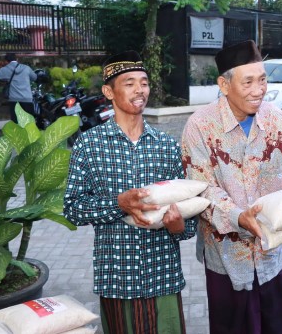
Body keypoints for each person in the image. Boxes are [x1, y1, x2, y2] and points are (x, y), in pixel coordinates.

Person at [181, 40, 282, 334]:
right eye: (248, 82)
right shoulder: (200, 126)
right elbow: (202, 190)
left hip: (271, 255)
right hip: (227, 257)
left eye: (263, 80)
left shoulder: (275, 117)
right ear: (224, 84)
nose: (259, 90)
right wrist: (239, 217)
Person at [64, 51, 196, 334]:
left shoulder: (166, 145)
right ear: (108, 92)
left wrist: (180, 228)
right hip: (117, 278)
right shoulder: (89, 145)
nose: (140, 90)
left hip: (163, 275)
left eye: (144, 83)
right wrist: (119, 204)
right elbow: (73, 208)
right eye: (130, 83)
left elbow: (189, 216)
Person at [0, 52, 37, 123]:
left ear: (6, 61)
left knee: (16, 122)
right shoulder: (26, 68)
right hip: (27, 99)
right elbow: (34, 77)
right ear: (17, 59)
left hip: (14, 100)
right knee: (29, 122)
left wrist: (3, 81)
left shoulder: (5, 69)